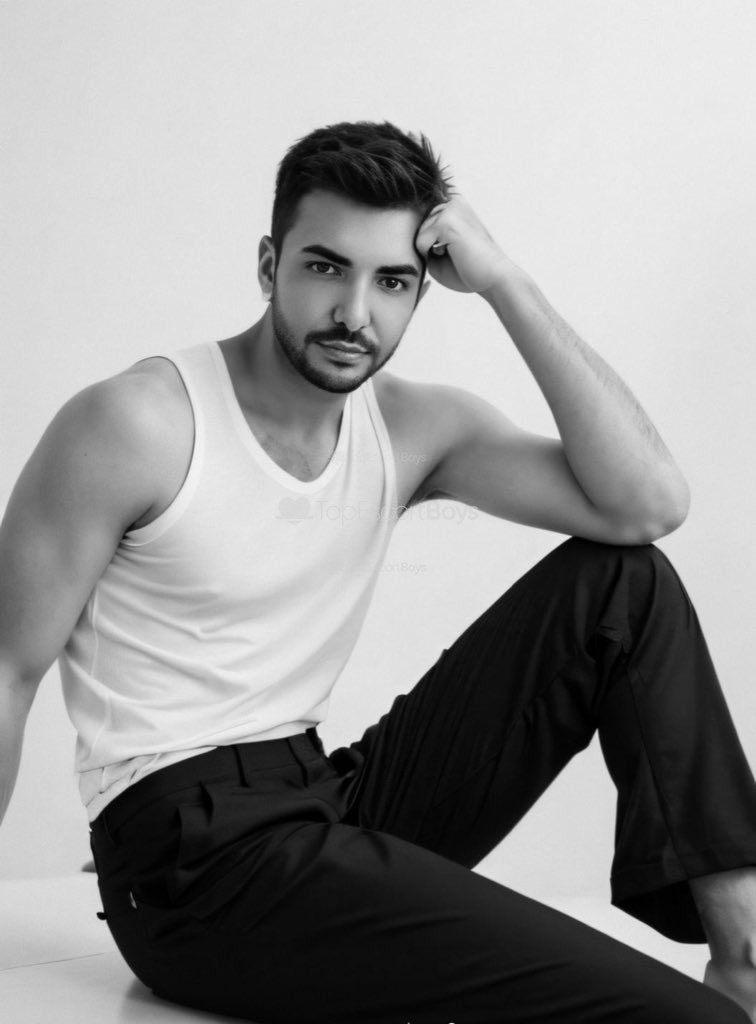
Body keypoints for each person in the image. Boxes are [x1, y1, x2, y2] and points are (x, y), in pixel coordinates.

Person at [1, 120, 755, 1024]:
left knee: (625, 587)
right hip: (191, 864)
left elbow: (648, 506)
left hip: (322, 799)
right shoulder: (139, 423)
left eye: (392, 281)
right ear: (268, 265)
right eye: (326, 267)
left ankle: (745, 952)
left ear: (422, 290)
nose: (355, 313)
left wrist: (507, 282)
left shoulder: (409, 427)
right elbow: (7, 671)